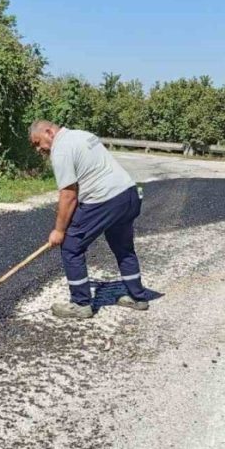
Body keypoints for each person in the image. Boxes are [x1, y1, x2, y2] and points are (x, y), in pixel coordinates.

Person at [28, 120, 152, 319]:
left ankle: (80, 303)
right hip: (128, 194)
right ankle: (138, 297)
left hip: (105, 199)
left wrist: (59, 230)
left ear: (49, 132)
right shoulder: (82, 135)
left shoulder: (61, 149)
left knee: (71, 246)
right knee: (123, 248)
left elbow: (68, 195)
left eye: (37, 143)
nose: (38, 149)